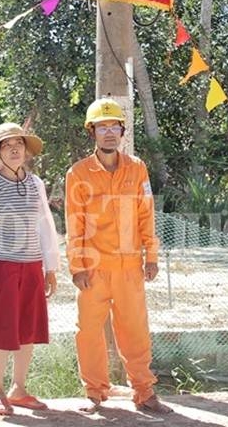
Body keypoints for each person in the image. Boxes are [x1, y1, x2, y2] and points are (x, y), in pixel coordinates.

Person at [65, 97, 171, 415]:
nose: (109, 132)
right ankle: (94, 393)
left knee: (135, 329)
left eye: (114, 126)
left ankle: (144, 392)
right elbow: (75, 222)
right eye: (102, 127)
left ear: (122, 131)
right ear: (92, 132)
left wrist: (151, 257)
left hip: (129, 267)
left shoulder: (137, 169)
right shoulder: (78, 173)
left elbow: (145, 216)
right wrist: (77, 266)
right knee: (89, 331)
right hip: (94, 269)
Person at [0, 123, 59, 416]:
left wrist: (51, 267)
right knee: (2, 328)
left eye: (19, 144)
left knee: (28, 328)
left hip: (33, 264)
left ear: (26, 150)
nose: (14, 149)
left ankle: (18, 388)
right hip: (3, 264)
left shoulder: (36, 183)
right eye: (7, 145)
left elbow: (45, 225)